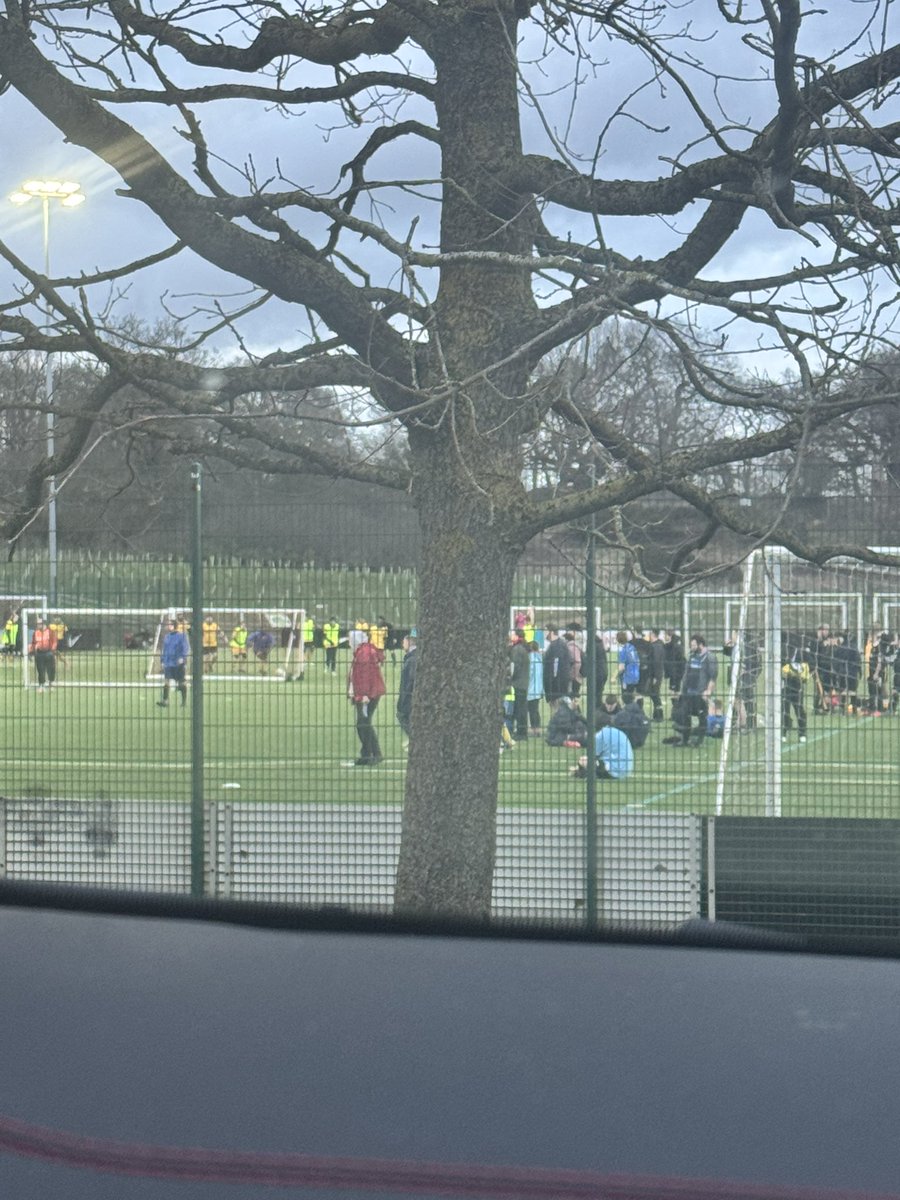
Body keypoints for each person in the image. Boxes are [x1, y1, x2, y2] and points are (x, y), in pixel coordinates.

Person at [670, 634, 718, 747]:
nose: (691, 647)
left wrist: (708, 691)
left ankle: (699, 741)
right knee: (685, 715)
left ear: (700, 645)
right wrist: (683, 690)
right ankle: (685, 740)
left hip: (701, 693)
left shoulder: (710, 657)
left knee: (702, 716)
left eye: (693, 645)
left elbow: (713, 677)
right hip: (688, 692)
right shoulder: (692, 656)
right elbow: (687, 673)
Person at [348, 630, 386, 766]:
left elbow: (364, 675)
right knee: (364, 723)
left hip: (368, 694)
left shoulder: (363, 652)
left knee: (363, 723)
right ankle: (368, 754)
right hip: (370, 692)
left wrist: (363, 694)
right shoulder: (364, 650)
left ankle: (373, 754)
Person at [570, 713, 635, 780]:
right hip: (626, 770)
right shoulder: (617, 731)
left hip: (613, 770)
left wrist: (578, 767)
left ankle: (582, 774)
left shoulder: (600, 735)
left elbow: (593, 756)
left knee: (582, 760)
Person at [157, 618, 189, 708]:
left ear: (173, 626)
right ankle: (165, 701)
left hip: (178, 663)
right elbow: (165, 649)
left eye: (169, 624)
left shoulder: (181, 636)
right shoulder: (167, 636)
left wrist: (182, 658)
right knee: (166, 681)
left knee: (182, 682)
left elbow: (185, 648)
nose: (167, 626)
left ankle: (184, 702)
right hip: (168, 663)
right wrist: (162, 660)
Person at [781, 644, 809, 742]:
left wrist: (801, 674)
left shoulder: (800, 651)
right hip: (785, 685)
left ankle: (802, 733)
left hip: (797, 686)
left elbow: (807, 666)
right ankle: (783, 733)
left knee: (799, 709)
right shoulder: (782, 649)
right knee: (784, 710)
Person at [396, 628, 417, 744]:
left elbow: (408, 684)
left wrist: (402, 704)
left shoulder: (411, 660)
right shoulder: (413, 658)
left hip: (408, 702)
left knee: (403, 718)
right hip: (411, 701)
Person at [542, 627, 571, 711]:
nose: (544, 634)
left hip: (557, 684)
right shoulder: (556, 644)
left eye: (545, 631)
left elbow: (556, 664)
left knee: (560, 708)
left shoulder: (557, 645)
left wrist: (553, 680)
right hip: (555, 684)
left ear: (551, 632)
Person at [509, 631, 530, 739]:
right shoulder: (523, 648)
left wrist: (509, 678)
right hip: (523, 682)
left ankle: (521, 733)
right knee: (521, 708)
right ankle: (522, 731)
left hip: (518, 683)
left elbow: (514, 666)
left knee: (519, 708)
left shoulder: (517, 649)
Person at [29, 617, 58, 693]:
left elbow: (54, 641)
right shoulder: (36, 632)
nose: (37, 625)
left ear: (43, 624)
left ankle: (51, 684)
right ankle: (41, 685)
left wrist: (52, 650)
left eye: (39, 623)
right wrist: (32, 649)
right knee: (40, 670)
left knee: (51, 670)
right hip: (39, 654)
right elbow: (33, 642)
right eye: (37, 623)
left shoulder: (50, 632)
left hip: (49, 653)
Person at [615, 630, 640, 703]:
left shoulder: (623, 651)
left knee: (626, 698)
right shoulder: (632, 647)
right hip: (636, 675)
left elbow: (621, 668)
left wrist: (615, 676)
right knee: (634, 696)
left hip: (627, 677)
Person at [526, 639, 544, 736]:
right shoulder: (539, 659)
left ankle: (533, 729)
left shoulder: (530, 658)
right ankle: (537, 728)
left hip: (531, 688)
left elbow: (529, 673)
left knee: (531, 710)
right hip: (538, 688)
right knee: (535, 710)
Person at [564, 630, 583, 698]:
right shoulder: (575, 646)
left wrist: (572, 675)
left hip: (573, 676)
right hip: (577, 675)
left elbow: (577, 661)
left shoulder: (570, 647)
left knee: (571, 696)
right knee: (574, 696)